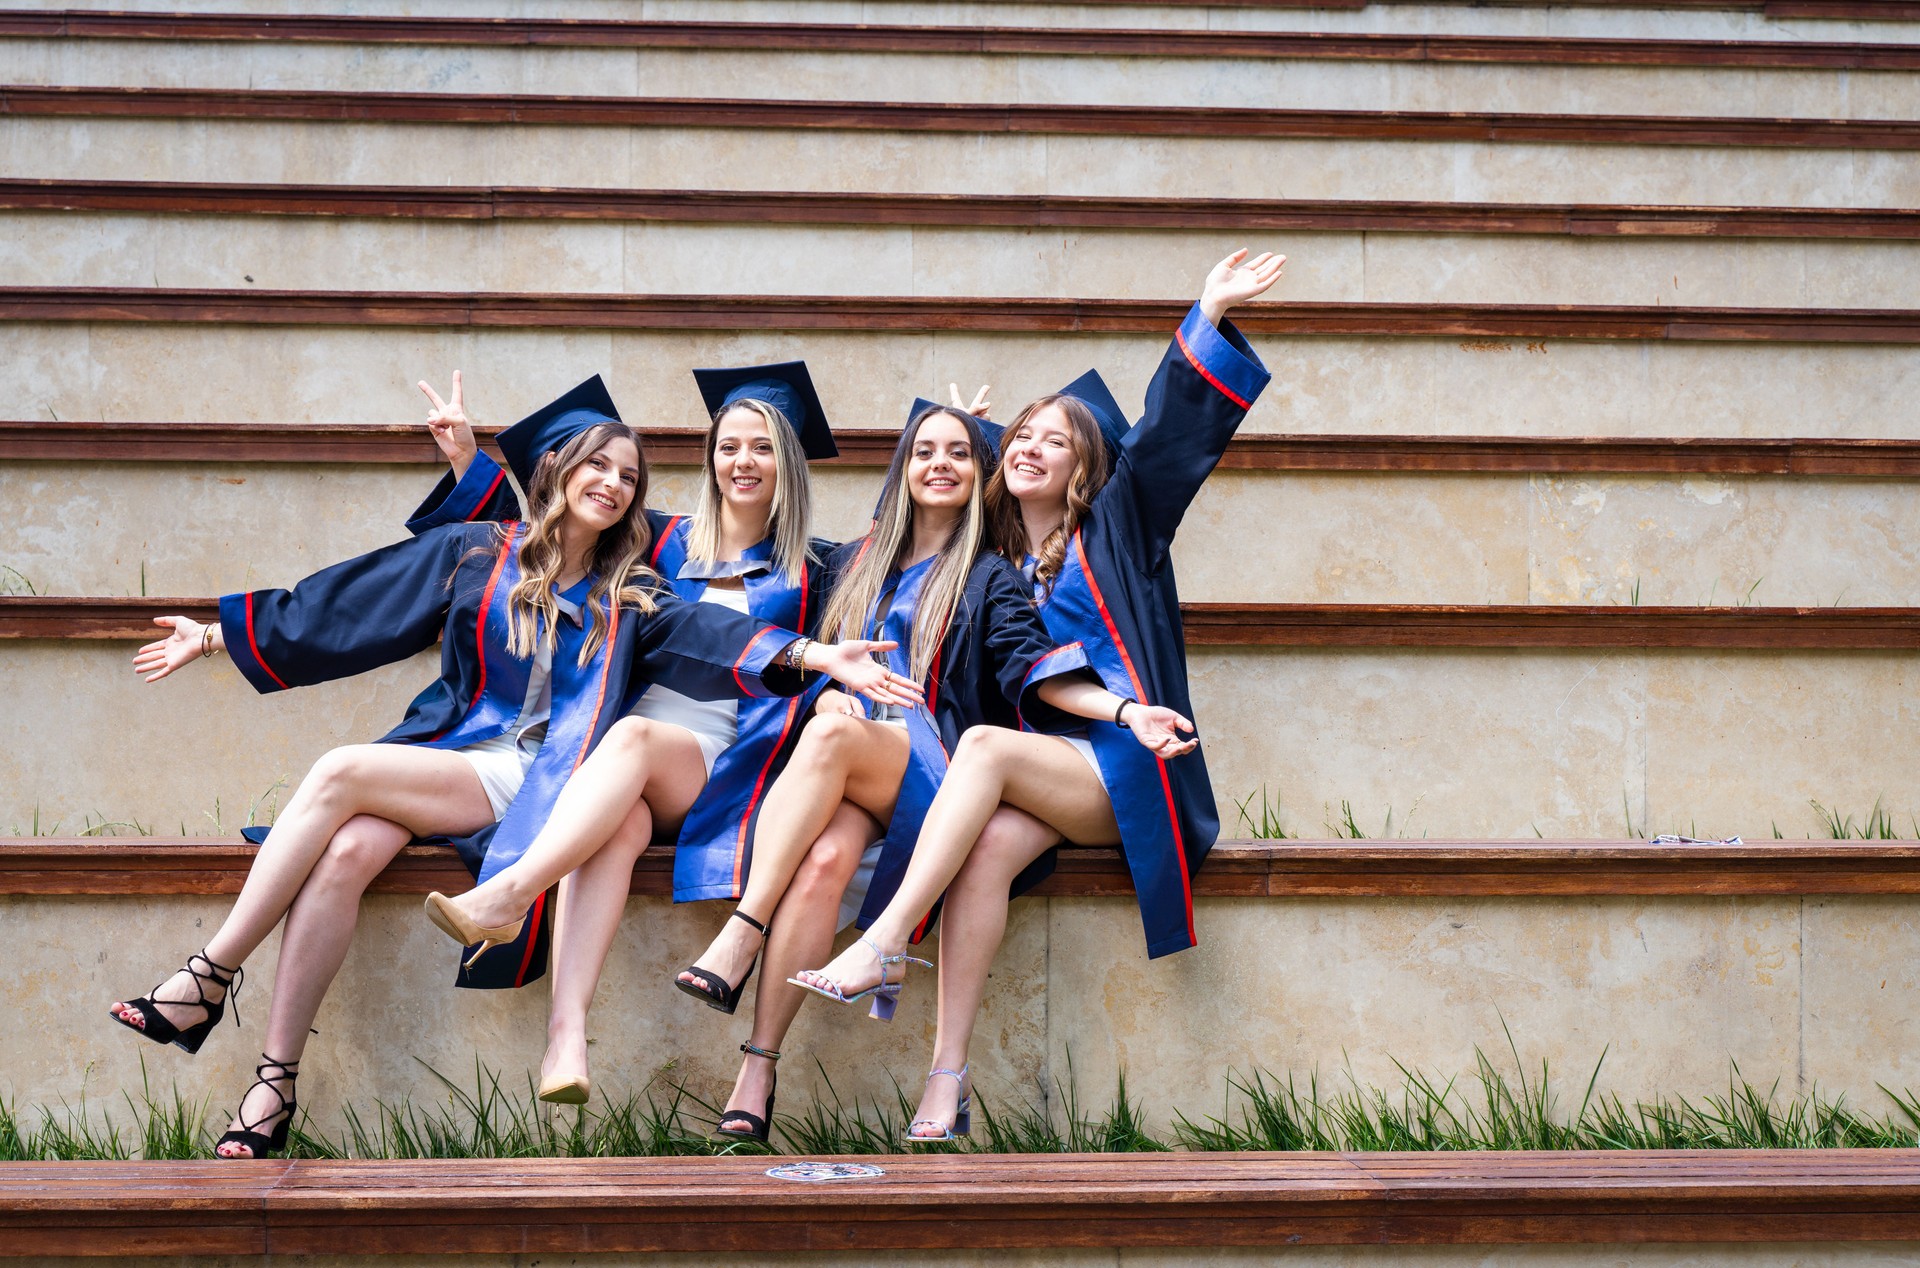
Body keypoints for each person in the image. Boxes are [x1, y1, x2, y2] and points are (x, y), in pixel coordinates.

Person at [108, 375, 901, 1157]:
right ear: (552, 469)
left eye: (628, 475)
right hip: (454, 751)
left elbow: (705, 631)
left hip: (562, 770)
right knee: (346, 848)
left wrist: (817, 656)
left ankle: (207, 975)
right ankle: (274, 1084)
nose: (615, 484)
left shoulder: (636, 583)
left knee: (342, 770)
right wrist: (215, 634)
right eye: (596, 466)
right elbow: (356, 603)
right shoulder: (511, 551)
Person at [790, 249, 1286, 1142]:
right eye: (1017, 436)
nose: (1029, 447)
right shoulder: (988, 564)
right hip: (1039, 773)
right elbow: (907, 518)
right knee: (981, 853)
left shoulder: (1121, 528)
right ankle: (946, 1084)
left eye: (1053, 439)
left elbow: (1170, 438)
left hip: (1129, 764)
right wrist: (960, 437)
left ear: (1088, 466)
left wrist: (1205, 315)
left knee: (981, 749)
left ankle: (885, 939)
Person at [675, 399, 1163, 1144]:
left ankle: (748, 930)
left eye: (961, 453)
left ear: (980, 476)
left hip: (934, 769)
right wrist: (829, 686)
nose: (940, 464)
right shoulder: (849, 566)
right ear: (900, 468)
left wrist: (1127, 712)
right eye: (924, 450)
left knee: (832, 738)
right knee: (825, 857)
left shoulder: (987, 579)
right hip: (867, 777)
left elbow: (1037, 671)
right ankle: (759, 1065)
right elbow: (793, 643)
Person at [403, 363, 887, 1106]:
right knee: (619, 819)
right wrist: (470, 460)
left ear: (786, 461)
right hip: (629, 765)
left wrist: (828, 701)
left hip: (733, 764)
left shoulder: (819, 568)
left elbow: (892, 573)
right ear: (710, 456)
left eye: (762, 448)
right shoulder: (661, 542)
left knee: (629, 741)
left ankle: (509, 894)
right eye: (729, 446)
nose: (743, 462)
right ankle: (567, 1040)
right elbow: (556, 530)